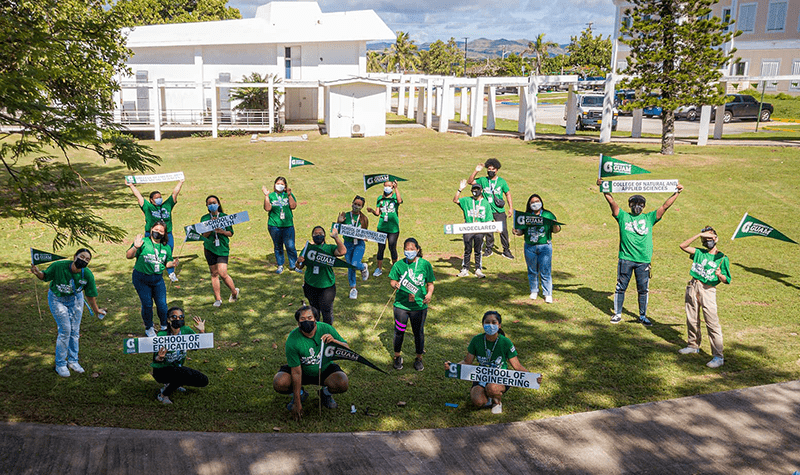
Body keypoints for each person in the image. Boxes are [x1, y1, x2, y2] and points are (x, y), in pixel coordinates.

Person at [598, 179, 684, 326]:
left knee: (643, 289)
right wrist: (604, 189)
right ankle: (617, 314)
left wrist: (676, 193)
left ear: (644, 207)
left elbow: (665, 206)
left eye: (640, 205)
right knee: (620, 287)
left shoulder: (649, 218)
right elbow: (612, 204)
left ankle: (642, 316)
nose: (637, 207)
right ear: (630, 206)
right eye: (634, 204)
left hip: (643, 260)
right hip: (625, 259)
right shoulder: (623, 216)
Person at [444, 311, 541, 415]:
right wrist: (452, 366)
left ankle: (497, 402)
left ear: (499, 325)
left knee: (492, 387)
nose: (490, 325)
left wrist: (532, 377)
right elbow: (467, 361)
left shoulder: (505, 342)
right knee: (478, 402)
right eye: (487, 322)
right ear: (483, 325)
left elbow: (517, 366)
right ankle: (488, 397)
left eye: (494, 322)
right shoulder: (476, 340)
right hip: (482, 376)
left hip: (501, 377)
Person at [31, 249, 107, 377]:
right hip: (57, 299)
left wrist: (96, 309)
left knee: (75, 331)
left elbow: (90, 295)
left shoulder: (87, 274)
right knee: (65, 330)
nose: (83, 260)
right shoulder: (58, 266)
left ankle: (73, 361)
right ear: (75, 257)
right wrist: (37, 273)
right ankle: (60, 364)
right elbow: (45, 276)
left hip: (76, 299)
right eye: (81, 257)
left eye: (87, 259)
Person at [272, 305, 350, 421]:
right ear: (298, 323)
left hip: (324, 369)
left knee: (342, 382)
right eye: (302, 319)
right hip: (302, 370)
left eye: (310, 318)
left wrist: (334, 341)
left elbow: (347, 349)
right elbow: (297, 372)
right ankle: (300, 394)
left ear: (315, 320)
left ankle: (325, 394)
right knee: (279, 382)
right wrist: (297, 402)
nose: (307, 321)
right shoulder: (293, 339)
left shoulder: (326, 328)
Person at [678, 226, 731, 369]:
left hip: (708, 290)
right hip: (693, 286)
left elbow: (727, 279)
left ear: (716, 239)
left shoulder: (722, 258)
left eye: (710, 238)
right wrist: (698, 234)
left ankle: (718, 356)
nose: (708, 241)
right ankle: (693, 345)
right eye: (705, 239)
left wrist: (720, 276)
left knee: (711, 322)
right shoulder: (699, 253)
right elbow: (683, 246)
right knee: (692, 318)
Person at [388, 238, 435, 371]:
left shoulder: (425, 265)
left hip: (419, 307)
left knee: (418, 332)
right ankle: (397, 357)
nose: (409, 252)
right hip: (401, 306)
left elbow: (430, 284)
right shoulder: (398, 265)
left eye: (412, 249)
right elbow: (392, 280)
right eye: (407, 249)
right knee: (399, 331)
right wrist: (395, 284)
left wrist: (429, 294)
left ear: (417, 250)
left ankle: (419, 358)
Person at [126, 179, 184, 282]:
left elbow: (175, 193)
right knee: (150, 252)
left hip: (167, 234)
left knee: (168, 253)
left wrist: (180, 182)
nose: (159, 199)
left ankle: (171, 273)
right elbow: (139, 197)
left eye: (160, 197)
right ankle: (146, 270)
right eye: (156, 198)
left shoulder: (167, 205)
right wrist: (131, 186)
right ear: (151, 200)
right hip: (151, 234)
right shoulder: (148, 207)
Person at [127, 221, 178, 336]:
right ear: (151, 230)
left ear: (164, 233)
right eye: (156, 229)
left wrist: (172, 263)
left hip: (157, 279)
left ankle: (164, 325)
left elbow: (166, 262)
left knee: (162, 304)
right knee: (147, 304)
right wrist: (135, 247)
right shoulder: (143, 242)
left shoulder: (166, 247)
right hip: (141, 279)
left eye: (161, 231)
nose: (158, 232)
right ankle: (149, 327)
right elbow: (128, 255)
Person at [152, 307, 209, 404]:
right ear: (168, 319)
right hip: (161, 371)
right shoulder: (162, 335)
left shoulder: (186, 330)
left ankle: (173, 384)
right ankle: (163, 395)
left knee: (203, 381)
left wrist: (202, 331)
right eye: (174, 317)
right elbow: (155, 359)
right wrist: (160, 358)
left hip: (177, 368)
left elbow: (199, 345)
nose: (177, 319)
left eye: (180, 317)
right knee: (181, 373)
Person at [512, 194, 561, 303]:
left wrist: (555, 224)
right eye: (532, 202)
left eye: (537, 201)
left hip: (545, 247)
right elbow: (521, 231)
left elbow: (556, 230)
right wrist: (516, 231)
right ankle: (534, 290)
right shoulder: (526, 216)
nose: (535, 203)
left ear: (541, 202)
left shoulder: (548, 215)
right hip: (530, 247)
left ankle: (548, 293)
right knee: (532, 270)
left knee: (545, 270)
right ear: (529, 205)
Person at [296, 226, 346, 324]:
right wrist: (298, 262)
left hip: (327, 286)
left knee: (326, 311)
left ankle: (327, 334)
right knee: (314, 312)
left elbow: (342, 251)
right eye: (316, 234)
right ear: (312, 236)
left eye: (320, 234)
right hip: (311, 285)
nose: (318, 235)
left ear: (324, 236)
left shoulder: (329, 248)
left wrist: (336, 238)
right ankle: (316, 331)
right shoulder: (308, 249)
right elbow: (299, 267)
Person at [468, 159, 514, 259]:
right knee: (488, 230)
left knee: (503, 230)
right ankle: (489, 249)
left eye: (493, 169)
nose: (491, 171)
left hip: (499, 210)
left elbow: (507, 193)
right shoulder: (483, 180)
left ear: (497, 170)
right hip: (487, 211)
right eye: (489, 169)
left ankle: (506, 250)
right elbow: (470, 181)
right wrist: (476, 171)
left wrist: (511, 207)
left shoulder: (501, 181)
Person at [200, 195, 239, 307]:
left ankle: (234, 291)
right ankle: (218, 299)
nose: (212, 204)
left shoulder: (225, 217)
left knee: (223, 273)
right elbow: (204, 235)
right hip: (209, 247)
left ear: (218, 204)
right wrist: (211, 226)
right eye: (210, 203)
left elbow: (230, 233)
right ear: (207, 206)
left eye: (214, 202)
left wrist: (222, 231)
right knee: (214, 273)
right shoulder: (204, 218)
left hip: (222, 248)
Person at [454, 180, 491, 278]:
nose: (475, 191)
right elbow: (455, 200)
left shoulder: (486, 203)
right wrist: (460, 189)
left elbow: (489, 219)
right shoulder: (467, 200)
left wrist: (486, 227)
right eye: (473, 189)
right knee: (467, 249)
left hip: (479, 230)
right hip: (468, 229)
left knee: (478, 250)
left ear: (481, 190)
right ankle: (465, 268)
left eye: (477, 189)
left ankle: (478, 269)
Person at [262, 177, 298, 274]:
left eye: (282, 184)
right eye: (278, 183)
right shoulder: (271, 196)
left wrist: (289, 195)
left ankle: (294, 265)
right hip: (274, 225)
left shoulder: (288, 195)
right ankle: (280, 265)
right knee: (278, 246)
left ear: (285, 186)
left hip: (288, 225)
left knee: (290, 246)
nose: (280, 185)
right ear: (274, 185)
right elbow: (267, 208)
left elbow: (293, 206)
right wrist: (266, 196)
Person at [336, 195, 370, 299]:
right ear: (352, 203)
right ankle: (353, 289)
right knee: (350, 266)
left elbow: (365, 232)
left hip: (359, 244)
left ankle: (363, 267)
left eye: (359, 205)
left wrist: (365, 236)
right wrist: (339, 222)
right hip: (348, 244)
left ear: (362, 207)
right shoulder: (345, 215)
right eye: (355, 204)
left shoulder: (364, 218)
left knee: (355, 264)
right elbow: (336, 229)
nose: (356, 206)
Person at [366, 180, 402, 277]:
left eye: (389, 186)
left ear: (392, 187)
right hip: (382, 227)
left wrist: (397, 188)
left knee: (392, 247)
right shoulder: (380, 198)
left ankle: (395, 268)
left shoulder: (394, 197)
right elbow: (378, 213)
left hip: (393, 229)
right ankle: (379, 268)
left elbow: (399, 201)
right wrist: (372, 211)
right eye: (385, 186)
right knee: (381, 248)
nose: (387, 188)